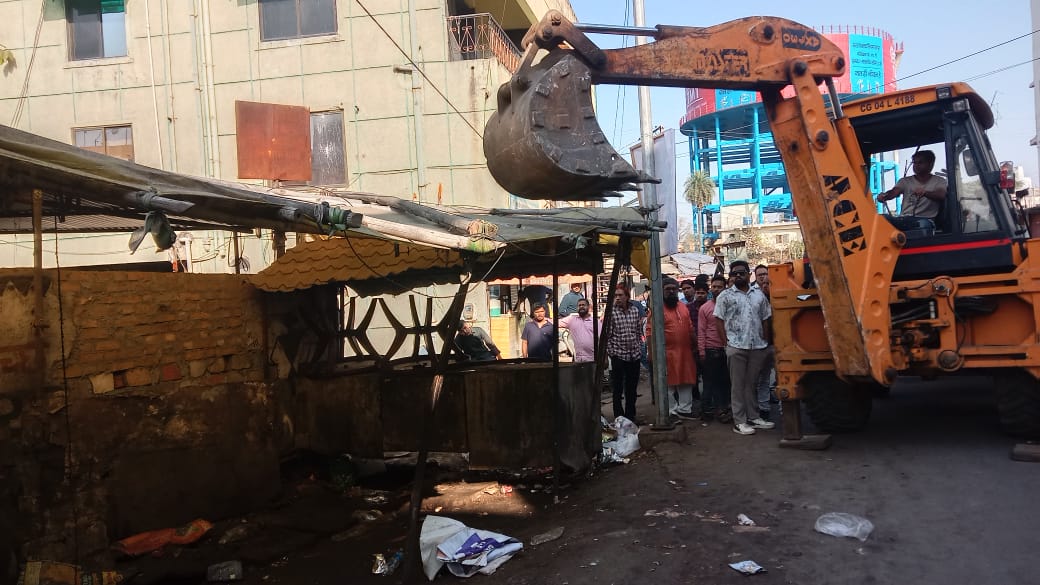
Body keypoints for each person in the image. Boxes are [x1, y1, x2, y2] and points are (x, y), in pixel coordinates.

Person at [714, 260, 775, 435]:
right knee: (738, 385)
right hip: (736, 346)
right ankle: (739, 421)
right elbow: (718, 319)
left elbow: (766, 317)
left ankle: (754, 417)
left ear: (749, 275)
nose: (738, 275)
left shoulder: (759, 295)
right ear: (731, 276)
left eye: (742, 272)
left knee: (751, 384)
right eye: (735, 273)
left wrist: (765, 340)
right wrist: (725, 342)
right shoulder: (725, 296)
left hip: (757, 346)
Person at [647, 277, 698, 422]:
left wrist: (695, 345)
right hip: (666, 353)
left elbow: (690, 328)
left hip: (685, 352)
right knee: (668, 383)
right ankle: (671, 411)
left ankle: (685, 410)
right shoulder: (656, 309)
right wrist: (651, 353)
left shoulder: (683, 306)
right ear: (661, 291)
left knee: (686, 381)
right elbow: (650, 332)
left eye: (673, 289)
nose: (671, 291)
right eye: (667, 289)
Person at [605, 285, 643, 421]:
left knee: (631, 388)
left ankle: (630, 416)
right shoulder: (611, 313)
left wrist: (638, 347)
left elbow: (638, 331)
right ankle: (619, 417)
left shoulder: (634, 310)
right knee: (617, 388)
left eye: (620, 295)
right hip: (618, 355)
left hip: (634, 355)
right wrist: (612, 353)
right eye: (615, 296)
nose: (618, 298)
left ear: (627, 297)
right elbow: (607, 336)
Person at [698, 276, 732, 423]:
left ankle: (724, 409)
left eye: (720, 287)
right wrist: (702, 351)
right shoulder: (705, 308)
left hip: (729, 348)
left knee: (726, 382)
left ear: (725, 288)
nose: (716, 289)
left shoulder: (730, 305)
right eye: (714, 287)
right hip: (711, 350)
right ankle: (709, 411)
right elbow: (701, 331)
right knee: (711, 382)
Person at [878, 149, 947, 219]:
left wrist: (925, 193)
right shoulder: (905, 181)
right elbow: (894, 192)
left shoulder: (939, 181)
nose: (916, 166)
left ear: (930, 164)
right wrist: (885, 196)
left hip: (926, 219)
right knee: (881, 218)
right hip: (904, 218)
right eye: (914, 163)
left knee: (922, 223)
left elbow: (941, 195)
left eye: (920, 163)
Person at [558, 298, 598, 363]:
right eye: (579, 305)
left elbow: (603, 339)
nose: (581, 307)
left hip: (593, 359)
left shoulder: (596, 321)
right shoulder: (572, 320)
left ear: (589, 307)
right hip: (578, 359)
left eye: (583, 305)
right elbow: (556, 322)